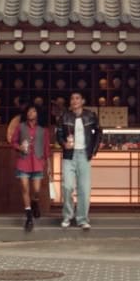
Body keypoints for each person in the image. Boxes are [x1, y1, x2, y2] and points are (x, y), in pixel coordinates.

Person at [56, 91, 101, 231]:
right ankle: (67, 216)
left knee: (84, 189)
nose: (74, 101)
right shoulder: (64, 116)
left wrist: (93, 151)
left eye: (77, 98)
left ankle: (82, 219)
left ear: (82, 101)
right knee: (67, 187)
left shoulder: (91, 115)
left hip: (84, 155)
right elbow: (59, 134)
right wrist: (64, 144)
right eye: (72, 98)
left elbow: (99, 132)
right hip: (69, 156)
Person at [8, 104, 51, 231]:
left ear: (38, 114)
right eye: (28, 111)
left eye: (33, 111)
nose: (30, 113)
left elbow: (46, 149)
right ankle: (29, 217)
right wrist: (19, 147)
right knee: (24, 188)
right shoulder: (20, 127)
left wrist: (49, 165)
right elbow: (13, 142)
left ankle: (35, 202)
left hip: (37, 162)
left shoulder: (43, 130)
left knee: (36, 190)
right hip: (23, 161)